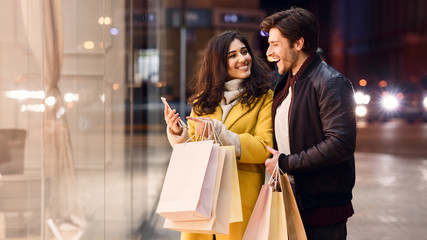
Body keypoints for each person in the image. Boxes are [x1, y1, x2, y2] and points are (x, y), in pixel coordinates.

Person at [164, 30, 274, 240]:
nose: (242, 59)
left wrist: (222, 134)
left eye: (244, 52)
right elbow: (196, 148)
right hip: (201, 197)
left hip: (241, 198)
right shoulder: (203, 100)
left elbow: (263, 147)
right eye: (232, 55)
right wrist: (178, 133)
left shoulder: (264, 97)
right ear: (218, 63)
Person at [261, 7, 357, 240]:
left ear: (298, 43)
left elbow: (339, 144)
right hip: (293, 202)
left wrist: (286, 163)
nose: (269, 52)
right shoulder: (287, 83)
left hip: (322, 210)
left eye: (275, 44)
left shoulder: (331, 82)